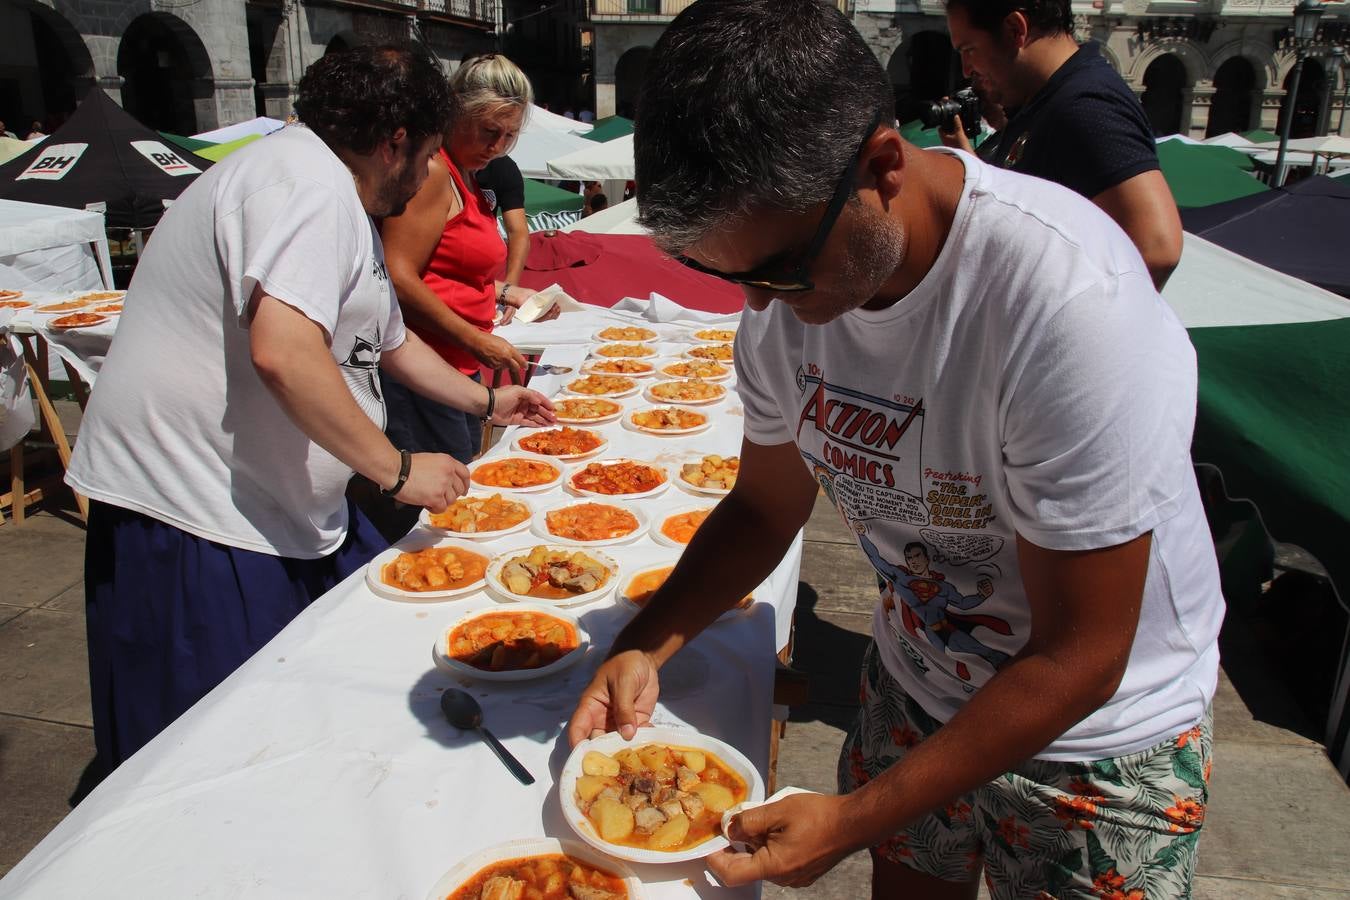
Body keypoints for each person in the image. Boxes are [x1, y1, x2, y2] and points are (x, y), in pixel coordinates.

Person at [565, 2, 1223, 898]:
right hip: (918, 677)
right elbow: (765, 506)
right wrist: (648, 641)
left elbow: (1082, 655)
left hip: (1101, 740)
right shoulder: (783, 311)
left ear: (881, 165)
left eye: (778, 269)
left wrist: (850, 819)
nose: (758, 309)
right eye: (727, 277)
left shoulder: (1069, 303)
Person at [66, 43, 554, 771]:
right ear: (396, 143)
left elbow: (387, 344)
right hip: (196, 518)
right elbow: (285, 352)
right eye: (425, 157)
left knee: (332, 700)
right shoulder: (306, 184)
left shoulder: (330, 191)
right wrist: (397, 471)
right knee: (211, 757)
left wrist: (489, 397)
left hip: (277, 512)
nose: (428, 177)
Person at [942, 0, 1183, 289]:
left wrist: (1044, 317)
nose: (967, 69)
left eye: (969, 50)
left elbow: (1156, 249)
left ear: (1015, 28)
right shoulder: (1044, 102)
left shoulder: (1084, 107)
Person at [379, 53, 545, 473]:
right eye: (489, 131)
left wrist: (504, 291)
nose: (497, 147)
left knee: (466, 475)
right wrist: (475, 339)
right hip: (426, 371)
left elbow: (448, 271)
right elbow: (397, 275)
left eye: (509, 136)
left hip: (457, 368)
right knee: (447, 494)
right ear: (456, 109)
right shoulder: (434, 172)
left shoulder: (467, 175)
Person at [476, 153, 530, 285]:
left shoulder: (503, 167)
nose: (498, 144)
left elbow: (518, 232)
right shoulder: (440, 163)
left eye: (509, 137)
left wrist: (510, 285)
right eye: (489, 131)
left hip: (482, 271)